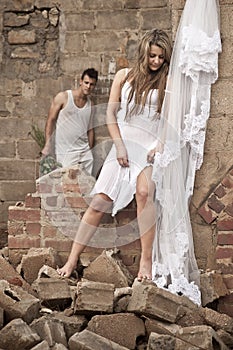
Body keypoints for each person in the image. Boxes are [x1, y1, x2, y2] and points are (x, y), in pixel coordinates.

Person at [57, 29, 172, 280]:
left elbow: (168, 118)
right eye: (152, 55)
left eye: (161, 58)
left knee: (144, 193)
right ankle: (72, 259)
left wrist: (160, 145)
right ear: (143, 53)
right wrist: (118, 145)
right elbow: (110, 114)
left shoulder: (167, 80)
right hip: (123, 145)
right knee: (98, 202)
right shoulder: (124, 76)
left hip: (149, 148)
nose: (155, 62)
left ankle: (146, 261)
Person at [41, 68, 98, 175]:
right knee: (67, 185)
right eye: (86, 83)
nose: (88, 86)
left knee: (86, 186)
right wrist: (47, 144)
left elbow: (90, 129)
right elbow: (50, 120)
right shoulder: (63, 97)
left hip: (85, 152)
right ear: (80, 81)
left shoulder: (91, 104)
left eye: (92, 84)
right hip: (66, 152)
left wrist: (89, 149)